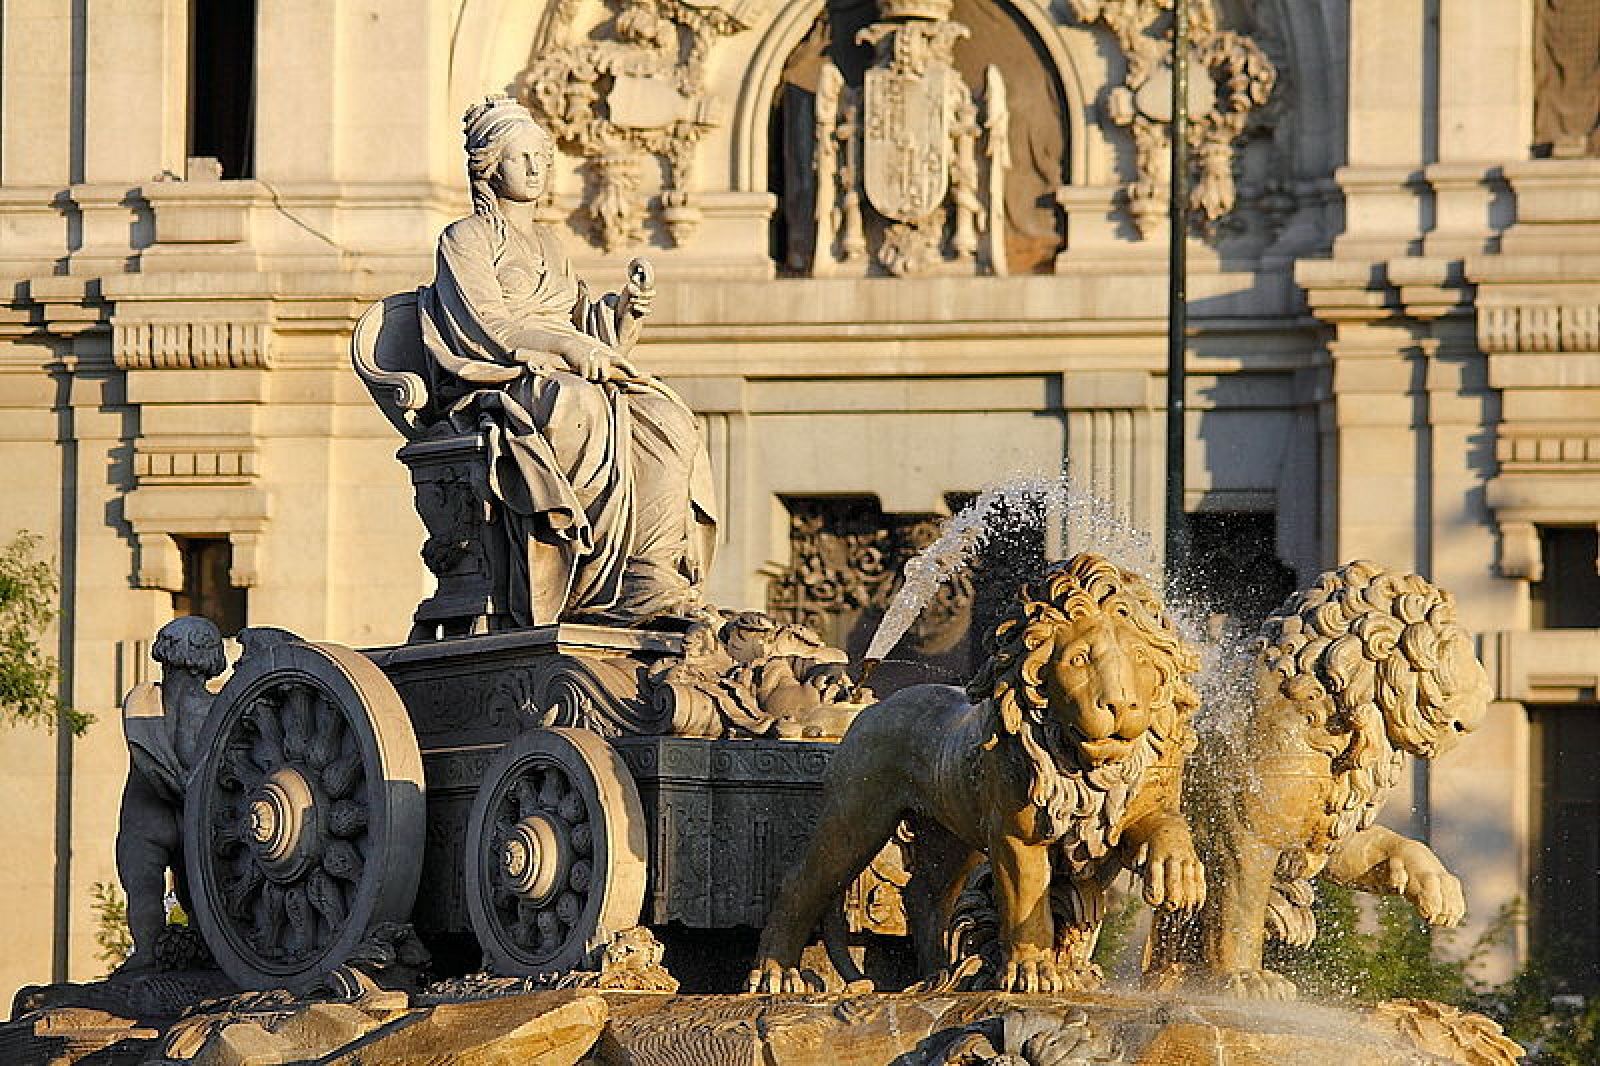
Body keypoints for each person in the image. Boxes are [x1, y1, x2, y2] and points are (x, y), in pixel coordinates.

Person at [419, 94, 718, 627]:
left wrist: (622, 313)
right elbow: (489, 326)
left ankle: (648, 570)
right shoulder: (465, 238)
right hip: (506, 377)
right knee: (580, 405)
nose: (535, 169)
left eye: (542, 157)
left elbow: (580, 320)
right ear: (489, 167)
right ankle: (586, 577)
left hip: (564, 369)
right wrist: (571, 349)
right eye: (520, 157)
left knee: (667, 418)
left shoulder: (552, 244)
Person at [115, 616, 226, 973]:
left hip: (147, 813)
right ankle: (206, 954)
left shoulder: (141, 701)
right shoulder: (221, 707)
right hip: (199, 812)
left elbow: (144, 750)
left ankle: (147, 954)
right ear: (212, 658)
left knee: (143, 887)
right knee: (200, 894)